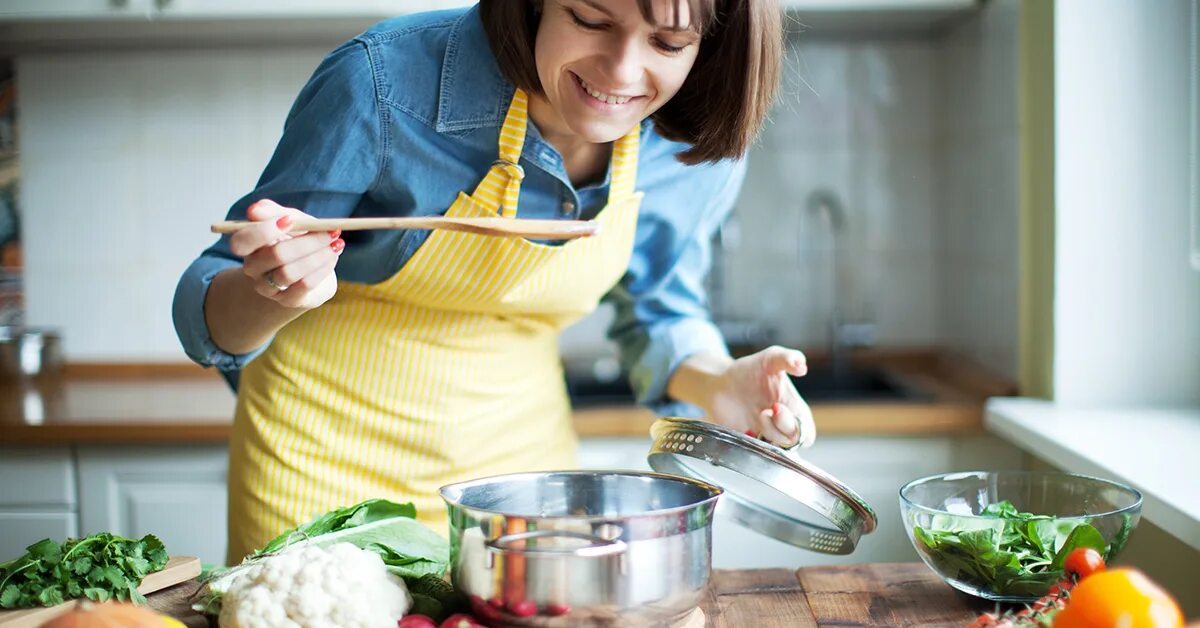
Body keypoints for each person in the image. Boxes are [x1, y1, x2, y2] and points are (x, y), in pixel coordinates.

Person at [173, 0, 816, 565]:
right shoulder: (384, 81)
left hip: (520, 487)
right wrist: (270, 289)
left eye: (668, 43)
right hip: (316, 472)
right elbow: (212, 305)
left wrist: (719, 382)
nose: (622, 71)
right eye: (590, 18)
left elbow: (659, 311)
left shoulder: (691, 146)